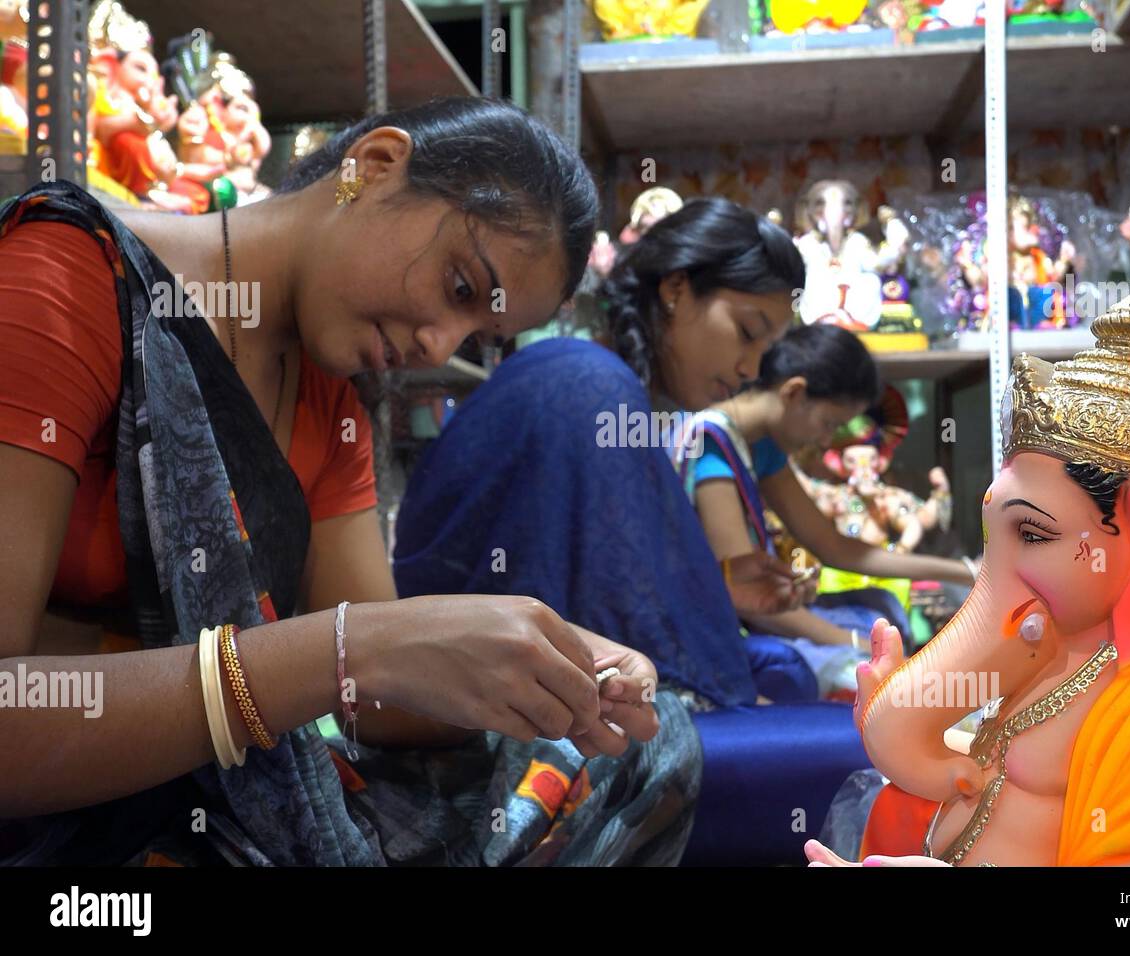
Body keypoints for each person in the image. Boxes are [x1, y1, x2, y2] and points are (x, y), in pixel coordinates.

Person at [0, 97, 724, 866]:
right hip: (75, 829)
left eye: (479, 335)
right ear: (372, 168)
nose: (439, 344)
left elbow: (371, 693)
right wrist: (345, 651)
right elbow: (348, 656)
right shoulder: (66, 278)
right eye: (458, 286)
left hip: (227, 803)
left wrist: (551, 671)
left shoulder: (328, 399)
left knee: (638, 756)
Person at [393, 198, 877, 863]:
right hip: (482, 734)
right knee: (869, 750)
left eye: (766, 349)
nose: (747, 368)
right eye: (745, 330)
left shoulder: (615, 397)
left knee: (852, 717)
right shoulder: (590, 384)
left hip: (519, 698)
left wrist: (725, 597)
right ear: (676, 291)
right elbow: (606, 617)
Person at [676, 323, 978, 697]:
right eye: (828, 424)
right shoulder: (711, 445)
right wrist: (849, 640)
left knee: (883, 608)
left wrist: (967, 572)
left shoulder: (761, 444)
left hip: (763, 616)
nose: (823, 441)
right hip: (722, 634)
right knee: (871, 670)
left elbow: (835, 547)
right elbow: (750, 599)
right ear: (795, 393)